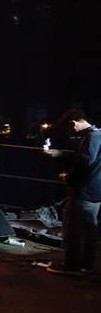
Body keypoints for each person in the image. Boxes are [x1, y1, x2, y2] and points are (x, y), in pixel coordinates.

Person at [45, 108, 101, 276]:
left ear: (73, 123)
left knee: (73, 229)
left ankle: (72, 265)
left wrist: (60, 154)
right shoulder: (98, 134)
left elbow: (86, 160)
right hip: (95, 190)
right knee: (90, 230)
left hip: (85, 191)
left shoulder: (92, 136)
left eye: (69, 129)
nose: (70, 133)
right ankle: (86, 265)